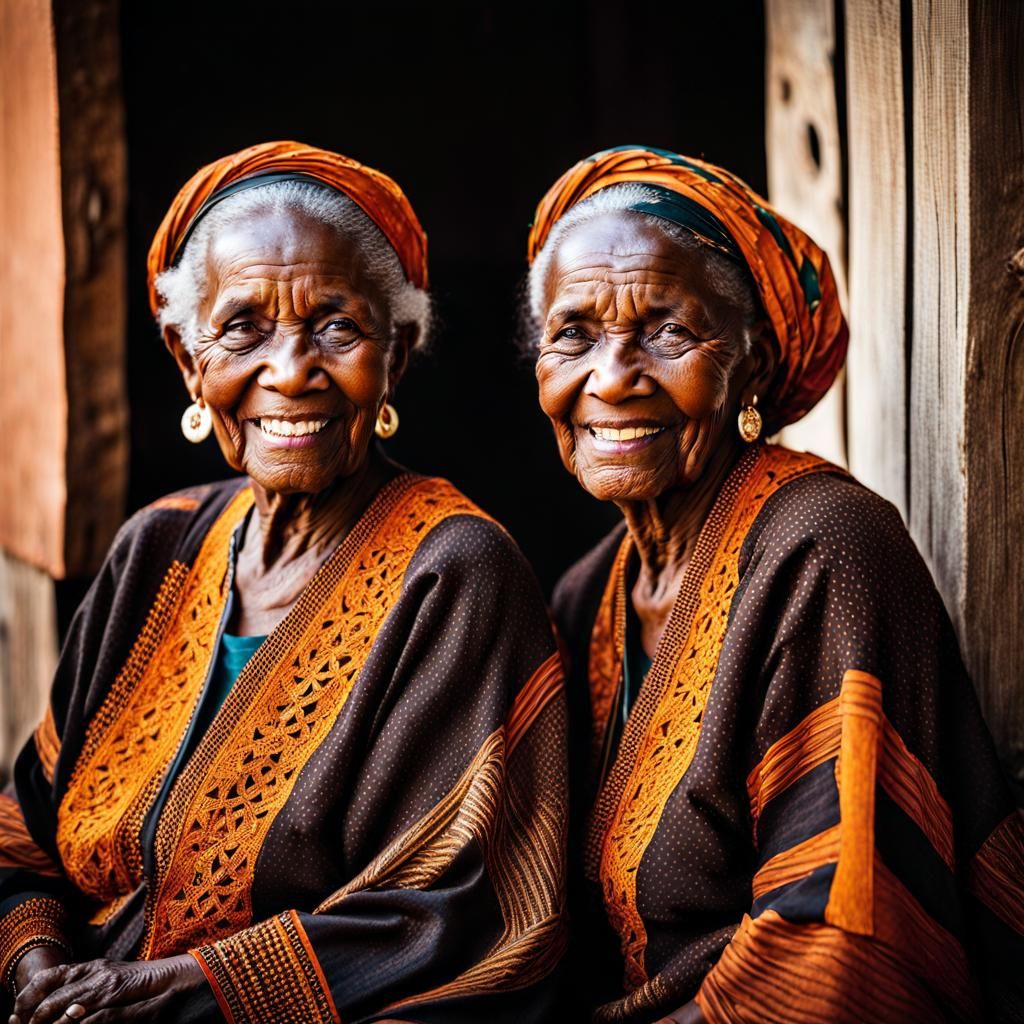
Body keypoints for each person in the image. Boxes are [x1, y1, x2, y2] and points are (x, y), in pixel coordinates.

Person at [0, 141, 566, 1024]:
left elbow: (454, 913)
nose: (292, 369)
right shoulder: (159, 548)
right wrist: (36, 968)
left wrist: (170, 993)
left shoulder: (454, 573)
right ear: (189, 361)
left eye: (336, 327)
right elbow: (25, 832)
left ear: (397, 356)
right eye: (243, 328)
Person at [525, 145, 1024, 1023]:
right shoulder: (584, 596)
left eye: (667, 331)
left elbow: (840, 937)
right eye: (573, 334)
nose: (609, 378)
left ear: (752, 366)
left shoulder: (824, 549)